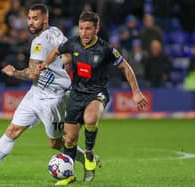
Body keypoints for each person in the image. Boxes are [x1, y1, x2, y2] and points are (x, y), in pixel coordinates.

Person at [0, 3, 87, 182]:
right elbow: (68, 53)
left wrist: (14, 72)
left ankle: (87, 158)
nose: (30, 22)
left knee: (56, 143)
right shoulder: (56, 31)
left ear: (45, 20)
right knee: (12, 130)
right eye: (29, 18)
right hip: (36, 93)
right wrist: (63, 62)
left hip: (53, 99)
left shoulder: (39, 42)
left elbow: (32, 73)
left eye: (35, 19)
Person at [39, 11, 147, 185]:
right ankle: (69, 175)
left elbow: (126, 68)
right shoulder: (73, 43)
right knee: (70, 139)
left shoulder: (106, 49)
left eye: (88, 29)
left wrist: (136, 92)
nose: (84, 32)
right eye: (81, 28)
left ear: (97, 28)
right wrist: (45, 64)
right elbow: (56, 50)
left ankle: (89, 154)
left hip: (97, 93)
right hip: (76, 93)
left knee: (90, 119)